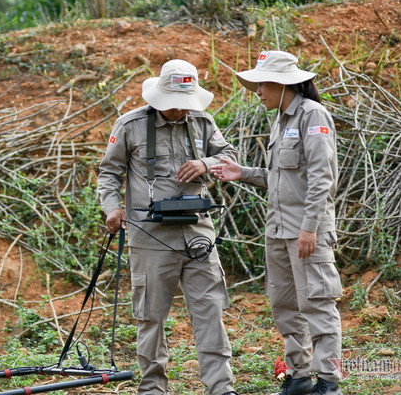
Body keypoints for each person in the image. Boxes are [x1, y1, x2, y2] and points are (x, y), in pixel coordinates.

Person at [97, 59, 239, 395]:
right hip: (151, 237)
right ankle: (153, 388)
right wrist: (112, 208)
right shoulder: (130, 125)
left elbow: (229, 155)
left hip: (199, 234)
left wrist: (206, 163)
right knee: (150, 317)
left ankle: (221, 387)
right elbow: (108, 173)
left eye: (184, 102)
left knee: (210, 313)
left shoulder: (203, 122)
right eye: (172, 102)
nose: (178, 109)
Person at [210, 50, 343, 395]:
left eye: (262, 84)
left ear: (283, 84)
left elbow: (320, 179)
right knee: (284, 304)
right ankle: (298, 376)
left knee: (317, 301)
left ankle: (328, 383)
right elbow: (283, 179)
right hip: (279, 231)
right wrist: (244, 173)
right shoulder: (281, 120)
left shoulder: (313, 115)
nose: (257, 91)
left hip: (305, 231)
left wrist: (309, 228)